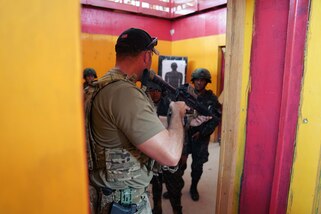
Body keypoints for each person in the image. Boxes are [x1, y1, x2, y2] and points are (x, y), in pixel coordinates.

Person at [88, 28, 188, 214]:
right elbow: (171, 155)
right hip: (123, 202)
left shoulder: (99, 86)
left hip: (102, 195)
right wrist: (177, 113)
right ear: (146, 56)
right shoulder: (125, 93)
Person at [163, 68, 221, 213]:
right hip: (184, 135)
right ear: (193, 80)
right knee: (178, 164)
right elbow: (175, 110)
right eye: (197, 80)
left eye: (202, 80)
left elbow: (215, 119)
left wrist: (202, 133)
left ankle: (194, 187)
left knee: (197, 166)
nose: (199, 82)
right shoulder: (185, 93)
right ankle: (175, 188)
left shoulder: (211, 99)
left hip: (200, 138)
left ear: (207, 82)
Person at [145, 80, 170, 214]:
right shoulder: (141, 105)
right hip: (144, 148)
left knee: (158, 180)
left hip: (161, 149)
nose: (154, 94)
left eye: (158, 91)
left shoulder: (168, 106)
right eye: (151, 90)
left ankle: (158, 205)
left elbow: (176, 130)